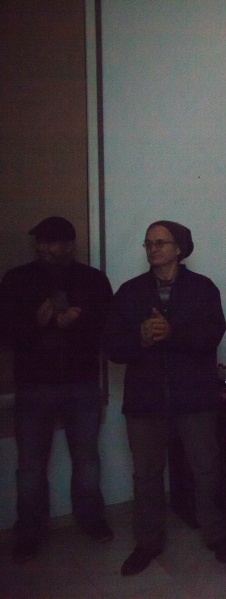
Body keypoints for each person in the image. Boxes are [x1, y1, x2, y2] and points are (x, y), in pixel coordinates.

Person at [104, 220, 226, 576]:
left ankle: (216, 535)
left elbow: (212, 335)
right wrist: (141, 337)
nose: (153, 249)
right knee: (146, 476)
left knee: (206, 470)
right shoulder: (131, 291)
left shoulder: (202, 288)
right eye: (148, 243)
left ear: (179, 248)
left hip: (194, 397)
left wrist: (172, 332)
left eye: (160, 243)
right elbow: (112, 347)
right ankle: (147, 542)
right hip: (145, 400)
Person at [0, 216, 114, 563]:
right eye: (40, 241)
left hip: (82, 384)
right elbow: (5, 333)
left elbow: (108, 329)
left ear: (69, 244)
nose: (43, 248)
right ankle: (29, 531)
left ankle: (90, 518)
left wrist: (78, 323)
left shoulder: (92, 280)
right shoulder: (17, 279)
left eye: (50, 241)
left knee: (87, 459)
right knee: (30, 466)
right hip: (33, 386)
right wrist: (36, 323)